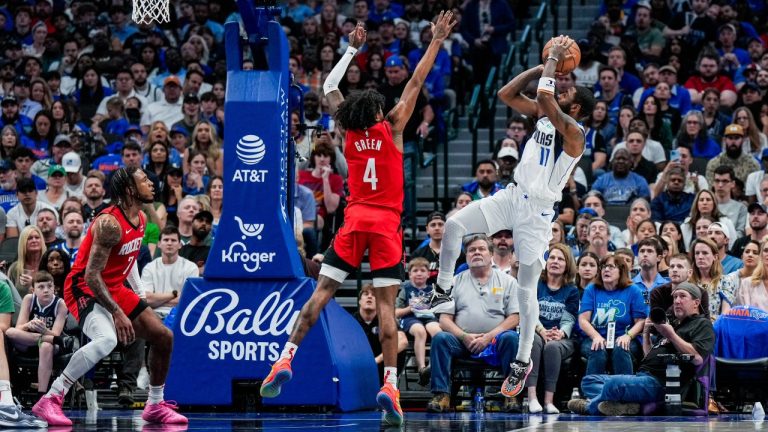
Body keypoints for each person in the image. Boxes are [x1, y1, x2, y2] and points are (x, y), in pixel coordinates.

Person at [260, 14, 457, 427]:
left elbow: (330, 87)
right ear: (380, 110)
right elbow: (416, 81)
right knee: (387, 307)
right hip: (385, 223)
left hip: (353, 219)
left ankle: (285, 358)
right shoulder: (394, 126)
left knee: (320, 295)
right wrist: (436, 39)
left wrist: (352, 48)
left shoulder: (347, 131)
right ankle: (389, 384)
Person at [428, 35, 596, 398]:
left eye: (569, 96)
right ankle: (442, 288)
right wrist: (540, 66)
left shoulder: (575, 134)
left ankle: (521, 360)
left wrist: (553, 58)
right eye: (562, 91)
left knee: (524, 286)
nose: (561, 93)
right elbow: (506, 93)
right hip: (512, 195)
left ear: (577, 109)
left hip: (537, 212)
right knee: (456, 224)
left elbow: (548, 97)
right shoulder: (545, 117)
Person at [31, 167, 187, 426]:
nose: (151, 183)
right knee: (106, 340)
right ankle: (52, 397)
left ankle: (155, 404)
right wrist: (118, 312)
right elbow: (92, 275)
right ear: (129, 189)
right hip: (84, 286)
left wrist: (138, 300)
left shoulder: (140, 218)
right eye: (144, 180)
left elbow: (130, 259)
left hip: (113, 285)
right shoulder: (109, 224)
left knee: (163, 337)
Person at [568, 282, 715, 416]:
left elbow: (697, 358)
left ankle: (589, 407)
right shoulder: (673, 324)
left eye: (682, 296)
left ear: (696, 302)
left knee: (612, 384)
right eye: (675, 296)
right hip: (643, 376)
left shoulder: (702, 324)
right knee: (588, 381)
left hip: (661, 383)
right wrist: (645, 332)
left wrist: (670, 335)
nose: (676, 301)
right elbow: (648, 355)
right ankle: (628, 405)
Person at [425, 234, 521, 413]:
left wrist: (489, 337)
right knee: (440, 338)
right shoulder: (453, 282)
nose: (476, 253)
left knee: (511, 338)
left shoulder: (509, 281)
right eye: (471, 250)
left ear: (491, 254)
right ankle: (441, 395)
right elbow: (444, 319)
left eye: (481, 249)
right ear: (466, 256)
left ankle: (511, 395)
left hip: (495, 341)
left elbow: (515, 317)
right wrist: (464, 336)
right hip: (462, 342)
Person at [525, 244, 580, 414]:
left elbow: (570, 318)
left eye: (560, 259)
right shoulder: (535, 283)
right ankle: (532, 397)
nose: (555, 261)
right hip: (537, 331)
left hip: (561, 336)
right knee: (532, 341)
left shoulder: (571, 290)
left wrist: (561, 333)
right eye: (552, 257)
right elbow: (529, 312)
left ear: (567, 264)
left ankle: (549, 401)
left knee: (552, 347)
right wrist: (541, 330)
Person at [5, 271, 68, 399]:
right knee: (9, 332)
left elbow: (55, 333)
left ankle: (41, 395)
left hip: (49, 346)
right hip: (30, 342)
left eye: (49, 286)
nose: (46, 290)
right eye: (41, 287)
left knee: (45, 345)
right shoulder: (29, 299)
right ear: (33, 290)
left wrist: (44, 330)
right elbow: (19, 328)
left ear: (54, 289)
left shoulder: (61, 304)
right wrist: (29, 325)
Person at [394, 257, 439, 385]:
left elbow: (439, 309)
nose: (419, 273)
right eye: (415, 270)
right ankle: (422, 368)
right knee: (420, 331)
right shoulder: (406, 289)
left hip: (429, 317)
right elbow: (396, 313)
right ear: (410, 274)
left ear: (428, 274)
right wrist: (411, 307)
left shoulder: (433, 290)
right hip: (410, 318)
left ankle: (433, 366)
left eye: (422, 270)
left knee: (437, 331)